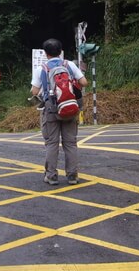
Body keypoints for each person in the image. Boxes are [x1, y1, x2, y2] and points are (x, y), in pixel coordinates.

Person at [30, 38, 87, 185]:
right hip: (69, 107)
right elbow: (84, 82)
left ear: (45, 53)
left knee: (52, 143)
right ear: (61, 52)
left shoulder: (41, 69)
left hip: (51, 110)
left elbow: (34, 90)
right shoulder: (69, 65)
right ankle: (72, 176)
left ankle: (51, 176)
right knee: (70, 143)